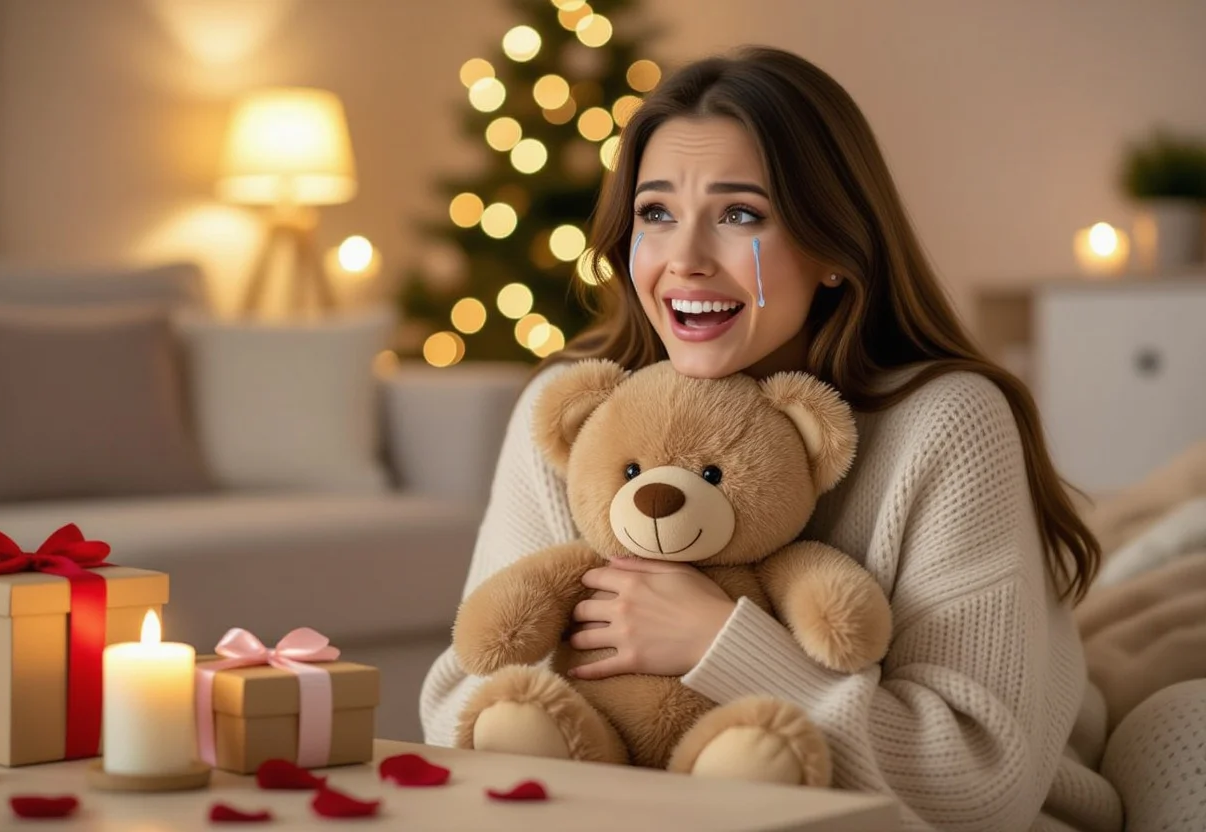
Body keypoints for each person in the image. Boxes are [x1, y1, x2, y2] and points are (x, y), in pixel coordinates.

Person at [421, 45, 1123, 831]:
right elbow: (461, 702)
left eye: (740, 214)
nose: (684, 260)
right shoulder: (575, 410)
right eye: (656, 213)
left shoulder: (947, 424)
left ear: (831, 247)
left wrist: (719, 642)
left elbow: (979, 786)